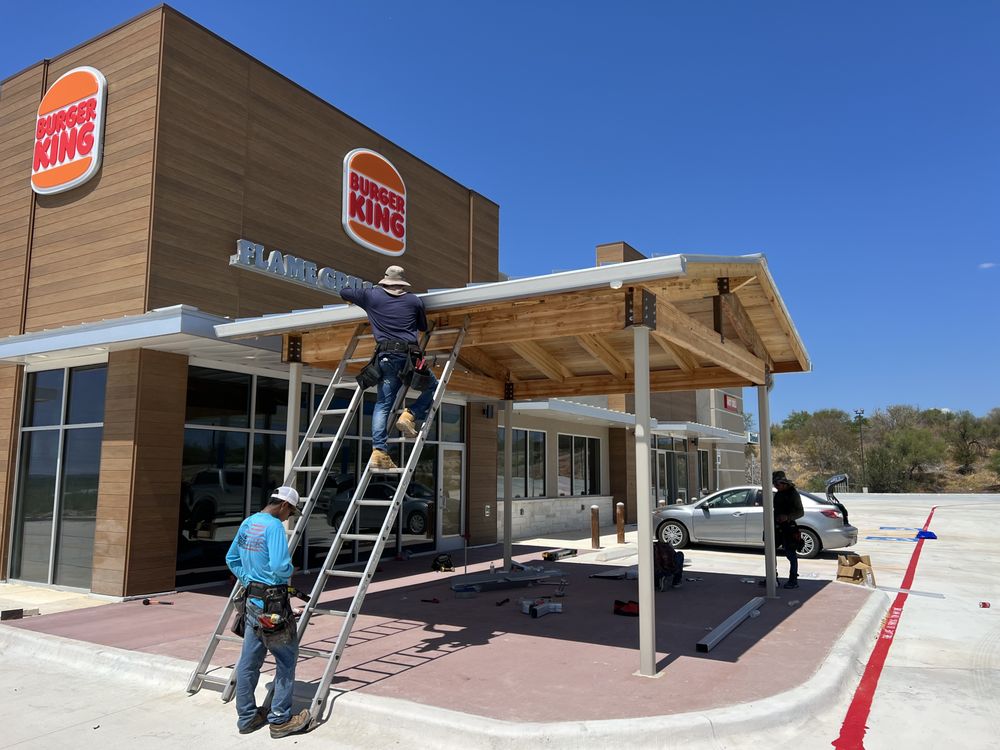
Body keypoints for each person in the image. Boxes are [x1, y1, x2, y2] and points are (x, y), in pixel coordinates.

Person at [225, 486, 310, 738]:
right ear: (283, 505)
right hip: (273, 604)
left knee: (249, 662)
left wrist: (250, 579)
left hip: (252, 601)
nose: (288, 517)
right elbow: (280, 565)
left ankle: (247, 718)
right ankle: (280, 720)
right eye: (291, 512)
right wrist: (285, 573)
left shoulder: (249, 523)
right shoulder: (273, 526)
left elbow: (232, 558)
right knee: (286, 659)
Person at [340, 266, 438, 470]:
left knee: (383, 404)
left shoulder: (371, 296)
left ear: (385, 281)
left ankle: (379, 452)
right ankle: (410, 414)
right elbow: (422, 327)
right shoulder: (414, 300)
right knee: (433, 386)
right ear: (402, 283)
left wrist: (359, 299)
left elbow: (344, 291)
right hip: (410, 357)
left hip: (385, 357)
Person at [772, 470, 804, 589]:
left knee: (791, 554)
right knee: (771, 552)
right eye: (775, 485)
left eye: (778, 484)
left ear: (784, 483)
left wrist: (787, 517)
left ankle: (793, 579)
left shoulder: (793, 494)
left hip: (788, 527)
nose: (776, 487)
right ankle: (772, 578)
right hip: (776, 526)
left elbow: (800, 512)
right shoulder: (778, 493)